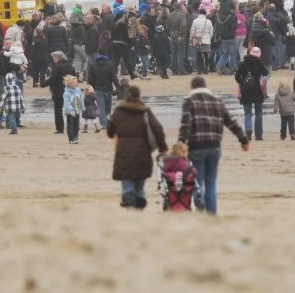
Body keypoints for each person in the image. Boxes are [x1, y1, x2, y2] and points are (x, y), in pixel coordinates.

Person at [178, 76, 249, 214]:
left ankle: (199, 205)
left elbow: (186, 125)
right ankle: (211, 214)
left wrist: (181, 143)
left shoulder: (189, 101)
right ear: (206, 86)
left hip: (196, 147)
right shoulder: (217, 101)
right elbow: (231, 122)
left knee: (197, 181)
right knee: (210, 183)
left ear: (192, 88)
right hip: (215, 147)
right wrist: (243, 139)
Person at [107, 85, 168, 209]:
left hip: (123, 150)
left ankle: (128, 196)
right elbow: (158, 129)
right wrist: (163, 148)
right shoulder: (145, 111)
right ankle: (140, 198)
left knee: (127, 178)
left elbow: (110, 132)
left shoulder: (119, 111)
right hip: (143, 151)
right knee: (139, 181)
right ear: (139, 95)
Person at [234, 46, 269, 141]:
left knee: (247, 113)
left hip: (245, 91)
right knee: (258, 113)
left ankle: (248, 130)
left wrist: (242, 82)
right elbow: (266, 72)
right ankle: (258, 135)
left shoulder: (243, 64)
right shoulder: (259, 63)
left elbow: (237, 77)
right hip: (257, 90)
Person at [42, 51, 75, 135]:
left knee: (58, 110)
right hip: (70, 90)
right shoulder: (70, 66)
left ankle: (60, 129)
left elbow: (52, 79)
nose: (53, 60)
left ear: (59, 58)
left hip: (59, 90)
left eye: (54, 58)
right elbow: (75, 78)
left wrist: (42, 84)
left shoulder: (57, 67)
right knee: (70, 110)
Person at [86, 53, 119, 129]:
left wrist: (90, 87)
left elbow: (90, 78)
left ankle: (103, 124)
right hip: (108, 89)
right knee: (108, 107)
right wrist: (118, 87)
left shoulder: (93, 65)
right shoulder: (110, 64)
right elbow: (114, 77)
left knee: (101, 107)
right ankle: (107, 122)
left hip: (98, 89)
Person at [189, 9, 213, 75]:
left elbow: (192, 31)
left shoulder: (195, 21)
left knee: (199, 55)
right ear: (205, 14)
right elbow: (211, 32)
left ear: (199, 13)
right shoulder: (208, 21)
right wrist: (209, 38)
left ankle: (199, 69)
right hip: (206, 39)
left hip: (197, 39)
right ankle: (206, 69)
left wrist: (191, 39)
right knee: (206, 55)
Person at [62, 75, 84, 144]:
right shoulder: (66, 93)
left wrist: (83, 107)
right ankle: (71, 139)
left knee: (77, 125)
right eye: (74, 82)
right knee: (70, 125)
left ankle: (76, 137)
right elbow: (67, 104)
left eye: (76, 82)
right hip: (69, 112)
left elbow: (81, 100)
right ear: (69, 84)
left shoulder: (78, 90)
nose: (76, 83)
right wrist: (71, 110)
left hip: (77, 111)